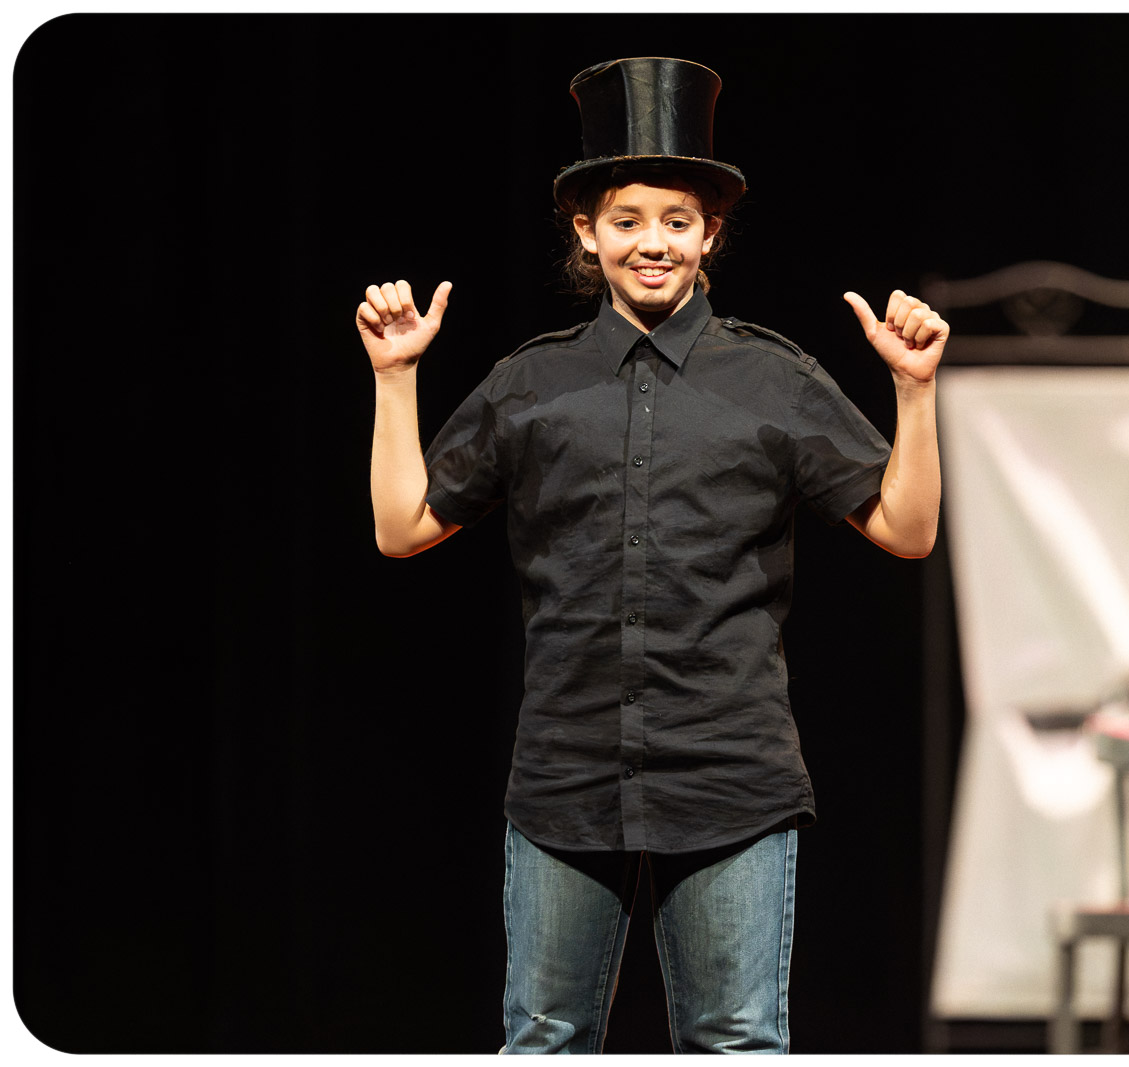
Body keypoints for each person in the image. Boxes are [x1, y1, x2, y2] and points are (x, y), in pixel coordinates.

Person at [355, 57, 946, 1054]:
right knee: (544, 1036)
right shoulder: (530, 383)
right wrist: (396, 377)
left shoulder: (772, 378)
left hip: (730, 772)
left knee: (735, 1038)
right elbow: (403, 526)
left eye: (676, 219)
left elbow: (906, 529)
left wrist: (918, 394)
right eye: (628, 219)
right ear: (586, 230)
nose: (653, 242)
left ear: (710, 233)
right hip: (566, 770)